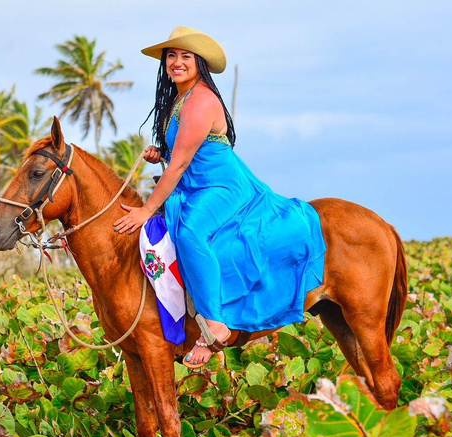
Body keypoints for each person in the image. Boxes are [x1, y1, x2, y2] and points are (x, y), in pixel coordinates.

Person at [114, 27, 326, 368]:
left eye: (186, 56)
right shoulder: (177, 100)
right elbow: (183, 154)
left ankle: (215, 325)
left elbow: (184, 161)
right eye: (172, 56)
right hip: (195, 185)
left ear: (200, 63)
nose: (177, 62)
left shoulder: (200, 99)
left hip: (221, 186)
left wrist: (146, 209)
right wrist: (162, 154)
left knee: (190, 233)